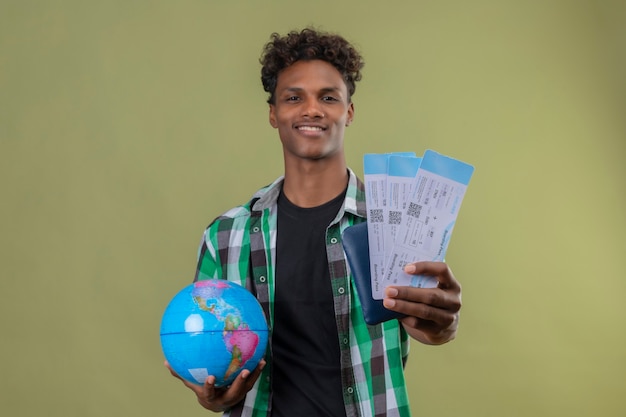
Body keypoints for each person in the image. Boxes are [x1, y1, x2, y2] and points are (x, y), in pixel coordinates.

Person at [166, 28, 462, 417]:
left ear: (349, 112)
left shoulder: (395, 223)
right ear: (273, 113)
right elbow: (214, 361)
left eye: (328, 97)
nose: (312, 109)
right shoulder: (225, 235)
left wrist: (443, 326)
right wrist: (211, 395)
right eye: (293, 97)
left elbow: (429, 325)